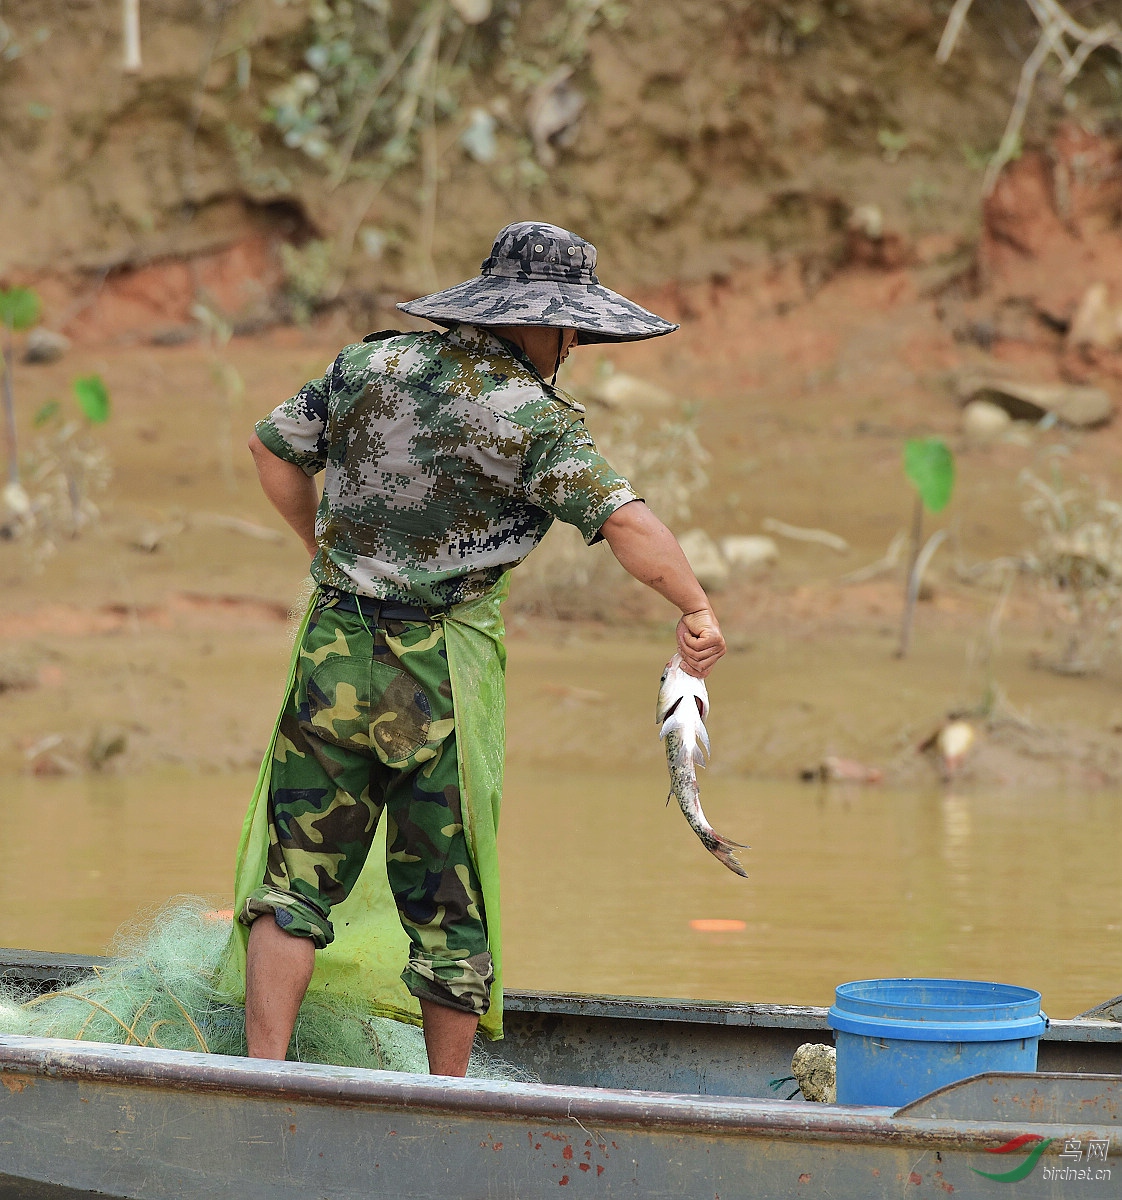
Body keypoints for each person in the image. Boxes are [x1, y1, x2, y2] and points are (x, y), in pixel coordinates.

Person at [240, 221, 725, 1076]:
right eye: (569, 327)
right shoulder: (529, 417)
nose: (572, 343)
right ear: (539, 322)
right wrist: (694, 605)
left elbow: (272, 449)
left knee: (295, 880)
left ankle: (260, 1073)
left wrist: (321, 552)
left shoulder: (367, 366)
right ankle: (448, 1107)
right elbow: (624, 521)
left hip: (332, 655)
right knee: (448, 904)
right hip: (438, 681)